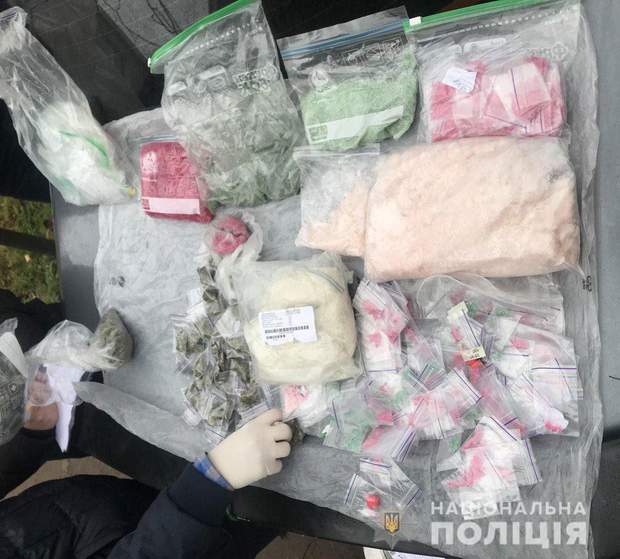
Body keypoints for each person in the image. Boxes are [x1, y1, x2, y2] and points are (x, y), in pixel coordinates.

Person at [0, 376, 290, 559]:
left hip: (105, 510)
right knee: (267, 505)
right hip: (185, 541)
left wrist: (31, 434)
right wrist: (206, 485)